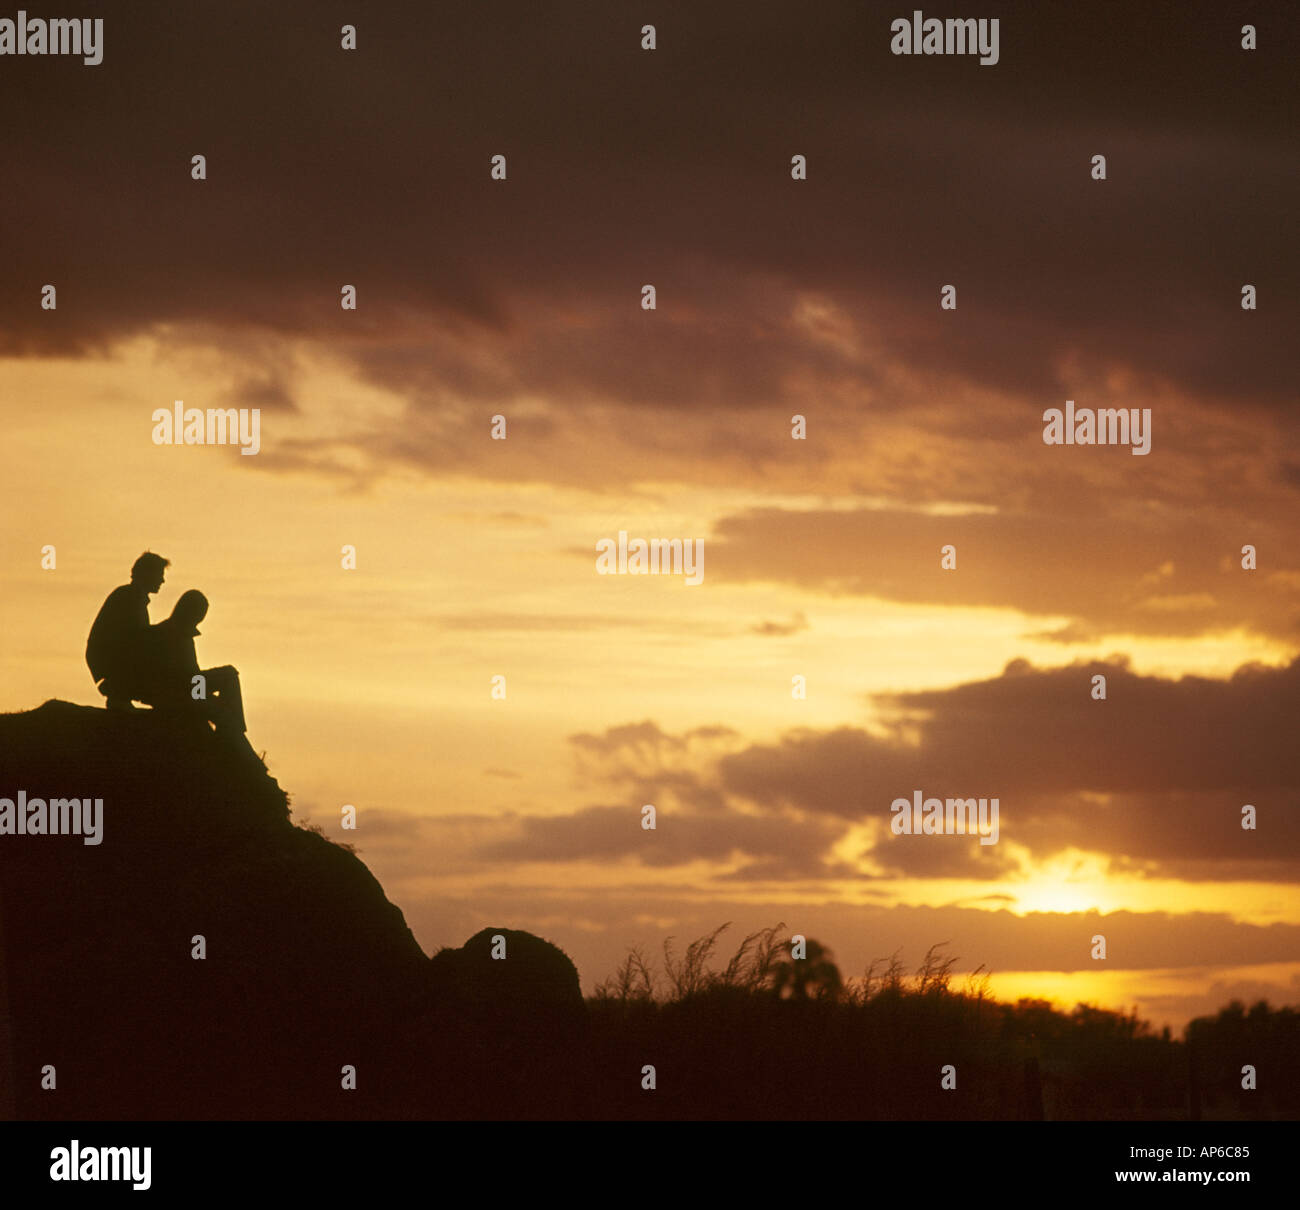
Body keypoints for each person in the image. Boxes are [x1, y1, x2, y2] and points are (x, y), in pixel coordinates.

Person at [142, 590, 246, 734]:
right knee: (228, 676)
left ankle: (233, 730)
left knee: (227, 681)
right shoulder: (171, 634)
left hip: (188, 688)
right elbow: (186, 677)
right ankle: (235, 731)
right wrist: (204, 694)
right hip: (183, 691)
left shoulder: (178, 634)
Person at [86, 551, 169, 710]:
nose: (162, 580)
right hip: (114, 671)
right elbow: (136, 640)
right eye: (159, 574)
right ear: (147, 574)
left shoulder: (130, 597)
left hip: (114, 669)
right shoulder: (128, 598)